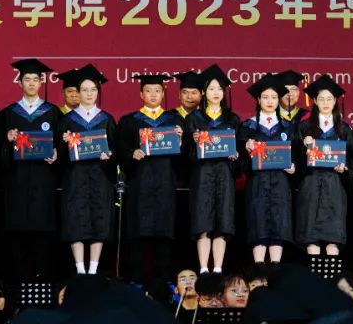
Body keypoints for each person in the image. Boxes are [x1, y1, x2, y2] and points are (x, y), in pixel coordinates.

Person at [118, 73, 185, 281]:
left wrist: (181, 142)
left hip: (165, 185)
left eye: (157, 91)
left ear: (163, 93)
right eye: (148, 91)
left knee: (164, 235)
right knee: (138, 234)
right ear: (141, 94)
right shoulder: (129, 121)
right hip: (140, 186)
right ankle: (137, 282)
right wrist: (132, 154)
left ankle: (163, 283)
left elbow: (185, 160)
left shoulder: (174, 121)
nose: (153, 95)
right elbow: (120, 152)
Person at [0, 57, 60, 279]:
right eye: (27, 79)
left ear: (42, 82)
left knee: (42, 234)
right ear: (19, 82)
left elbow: (61, 146)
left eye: (36, 79)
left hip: (43, 182)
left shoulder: (53, 112)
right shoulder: (8, 113)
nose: (32, 83)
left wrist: (56, 154)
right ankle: (18, 281)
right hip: (17, 182)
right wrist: (7, 140)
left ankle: (41, 280)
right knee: (17, 234)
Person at [57, 64, 116, 275]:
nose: (89, 94)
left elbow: (115, 150)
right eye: (84, 90)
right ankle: (80, 269)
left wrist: (109, 155)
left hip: (100, 177)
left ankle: (93, 269)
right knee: (76, 221)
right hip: (76, 178)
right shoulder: (67, 120)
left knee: (99, 220)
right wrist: (64, 143)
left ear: (98, 92)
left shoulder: (106, 119)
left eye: (93, 90)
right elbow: (59, 156)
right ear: (78, 93)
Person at [185, 64, 241, 274]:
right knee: (203, 225)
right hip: (202, 176)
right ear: (204, 92)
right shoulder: (194, 119)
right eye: (211, 89)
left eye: (219, 89)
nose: (216, 93)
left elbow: (239, 153)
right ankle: (203, 269)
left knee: (221, 226)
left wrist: (236, 157)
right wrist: (193, 142)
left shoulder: (232, 119)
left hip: (224, 176)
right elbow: (187, 154)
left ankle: (217, 269)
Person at [239, 74, 295, 264]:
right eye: (265, 97)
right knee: (259, 225)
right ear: (258, 99)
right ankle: (259, 271)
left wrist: (294, 166)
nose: (270, 101)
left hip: (280, 184)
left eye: (273, 97)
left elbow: (296, 156)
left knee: (279, 225)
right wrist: (246, 149)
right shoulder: (247, 127)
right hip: (257, 184)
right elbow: (241, 164)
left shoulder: (288, 127)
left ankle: (276, 270)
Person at [294, 75, 353, 259]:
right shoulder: (304, 127)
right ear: (315, 101)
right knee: (311, 236)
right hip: (310, 186)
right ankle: (313, 276)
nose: (326, 103)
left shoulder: (344, 129)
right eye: (321, 99)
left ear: (335, 101)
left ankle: (331, 276)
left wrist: (345, 167)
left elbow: (352, 159)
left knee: (332, 237)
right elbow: (295, 160)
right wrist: (303, 146)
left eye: (329, 99)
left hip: (334, 187)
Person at [276, 70, 307, 134]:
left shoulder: (307, 116)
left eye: (293, 89)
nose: (290, 93)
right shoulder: (269, 117)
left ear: (298, 93)